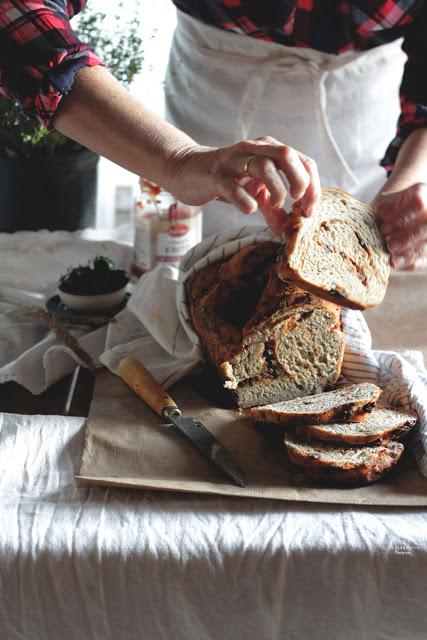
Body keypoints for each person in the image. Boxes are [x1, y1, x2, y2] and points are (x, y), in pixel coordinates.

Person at [0, 1, 426, 271]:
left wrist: (411, 181)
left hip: (370, 133)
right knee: (206, 279)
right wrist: (179, 160)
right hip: (206, 128)